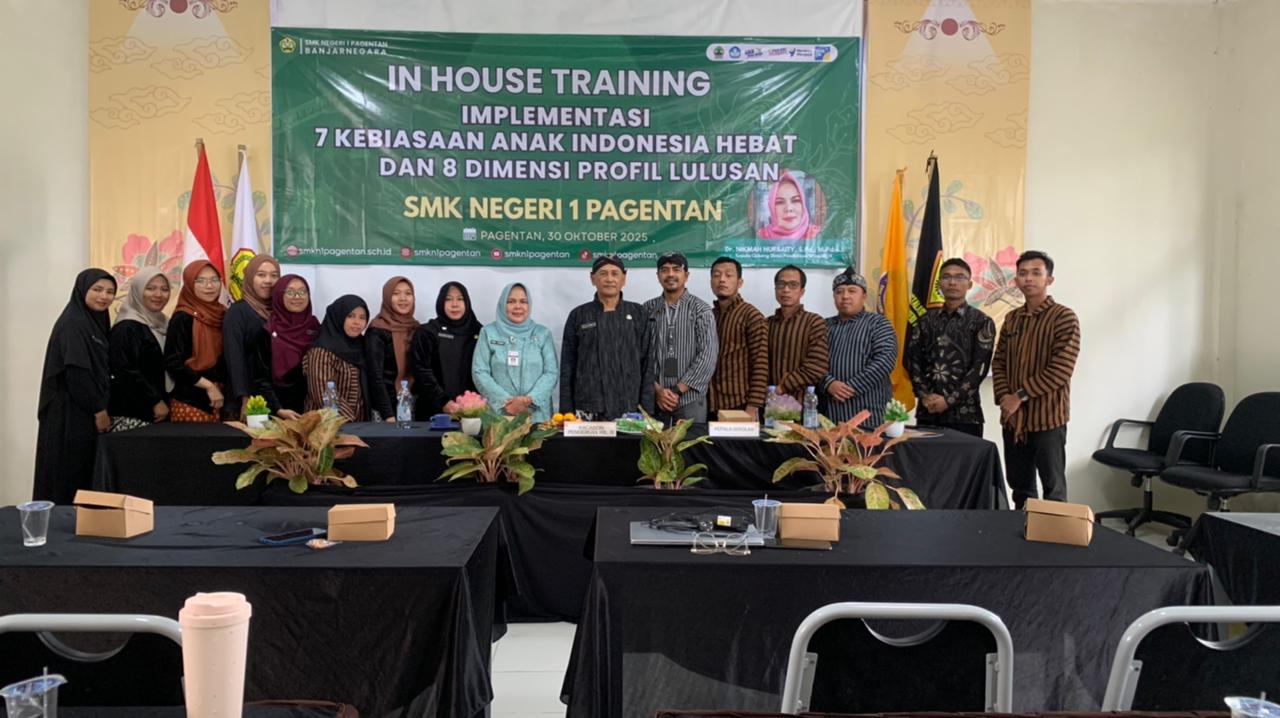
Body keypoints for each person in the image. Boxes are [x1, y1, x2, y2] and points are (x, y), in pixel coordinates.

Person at [992, 250, 1081, 508]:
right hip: (1013, 419)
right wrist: (1005, 399)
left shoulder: (1064, 317)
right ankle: (1022, 532)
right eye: (1023, 273)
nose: (1028, 278)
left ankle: (1053, 534)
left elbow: (1061, 368)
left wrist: (1019, 396)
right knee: (1020, 487)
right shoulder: (1012, 318)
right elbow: (999, 362)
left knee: (1053, 488)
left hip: (1048, 418)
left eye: (1036, 273)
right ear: (1016, 280)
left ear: (1049, 279)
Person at [33, 269, 116, 504]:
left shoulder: (93, 321)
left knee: (83, 471)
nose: (104, 296)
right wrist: (98, 410)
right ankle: (63, 522)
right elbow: (77, 374)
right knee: (68, 473)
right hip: (69, 413)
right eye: (97, 290)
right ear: (82, 290)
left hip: (81, 410)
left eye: (110, 291)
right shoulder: (73, 324)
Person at [904, 258, 997, 438]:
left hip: (965, 416)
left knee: (966, 458)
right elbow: (913, 361)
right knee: (925, 457)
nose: (952, 282)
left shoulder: (981, 321)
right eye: (946, 277)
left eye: (959, 277)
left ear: (969, 284)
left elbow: (979, 369)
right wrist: (925, 395)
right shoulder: (925, 321)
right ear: (939, 284)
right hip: (928, 411)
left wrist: (949, 400)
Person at [560, 256, 646, 420]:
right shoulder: (579, 315)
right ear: (593, 278)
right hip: (588, 406)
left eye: (615, 273)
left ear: (624, 279)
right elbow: (567, 367)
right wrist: (566, 412)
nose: (609, 279)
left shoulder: (638, 313)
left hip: (629, 407)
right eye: (603, 273)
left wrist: (647, 410)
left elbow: (647, 364)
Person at [641, 253, 718, 423]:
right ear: (658, 276)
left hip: (689, 399)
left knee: (692, 440)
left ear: (686, 275)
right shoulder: (647, 309)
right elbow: (640, 355)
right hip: (655, 398)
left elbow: (708, 356)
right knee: (653, 440)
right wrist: (658, 391)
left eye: (676, 269)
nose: (670, 274)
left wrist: (677, 390)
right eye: (664, 270)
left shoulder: (701, 310)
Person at [472, 283, 559, 422]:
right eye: (511, 301)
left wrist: (530, 400)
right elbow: (480, 372)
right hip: (500, 415)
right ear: (502, 304)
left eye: (523, 301)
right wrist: (506, 402)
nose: (518, 306)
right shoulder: (488, 333)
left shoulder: (542, 333)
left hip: (537, 415)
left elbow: (551, 373)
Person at [822, 268, 898, 426]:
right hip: (829, 413)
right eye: (839, 292)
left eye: (852, 291)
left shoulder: (878, 323)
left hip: (870, 412)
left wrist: (851, 387)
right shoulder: (823, 326)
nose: (845, 296)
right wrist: (828, 383)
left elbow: (885, 361)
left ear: (864, 296)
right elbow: (811, 361)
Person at [303, 295, 392, 422]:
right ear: (338, 317)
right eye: (350, 316)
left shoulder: (362, 346)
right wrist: (352, 422)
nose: (357, 322)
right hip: (326, 426)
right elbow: (324, 396)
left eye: (362, 317)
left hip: (360, 426)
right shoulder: (321, 351)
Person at [164, 260, 228, 422]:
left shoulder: (223, 314)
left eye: (214, 280)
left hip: (221, 399)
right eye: (201, 281)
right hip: (191, 401)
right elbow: (173, 363)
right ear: (189, 284)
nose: (209, 286)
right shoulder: (182, 317)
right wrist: (209, 386)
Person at [109, 266, 171, 431]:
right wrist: (154, 401)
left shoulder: (164, 323)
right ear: (137, 290)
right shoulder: (126, 327)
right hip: (134, 413)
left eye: (164, 289)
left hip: (159, 411)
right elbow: (124, 371)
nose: (158, 294)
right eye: (150, 288)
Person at [708, 256, 768, 420]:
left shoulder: (752, 316)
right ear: (711, 282)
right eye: (716, 275)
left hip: (739, 404)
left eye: (729, 275)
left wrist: (753, 406)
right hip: (709, 403)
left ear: (740, 282)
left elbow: (760, 364)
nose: (722, 279)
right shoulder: (709, 316)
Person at [411, 282, 482, 417]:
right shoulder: (427, 332)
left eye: (460, 299)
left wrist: (473, 405)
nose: (454, 304)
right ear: (440, 302)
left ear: (467, 302)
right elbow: (421, 370)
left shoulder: (479, 332)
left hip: (471, 412)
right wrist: (443, 401)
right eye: (448, 299)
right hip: (433, 411)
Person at [223, 254, 280, 418]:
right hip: (246, 400)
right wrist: (244, 397)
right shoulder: (237, 312)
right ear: (249, 278)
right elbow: (234, 358)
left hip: (274, 398)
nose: (268, 281)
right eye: (261, 275)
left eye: (274, 275)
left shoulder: (279, 311)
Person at [256, 274, 319, 417]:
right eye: (290, 292)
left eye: (302, 292)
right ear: (279, 295)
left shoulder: (316, 328)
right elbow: (260, 378)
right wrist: (278, 409)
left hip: (313, 411)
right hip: (278, 412)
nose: (297, 297)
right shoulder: (266, 332)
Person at [767, 265, 830, 402]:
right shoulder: (767, 323)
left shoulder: (814, 322)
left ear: (802, 291)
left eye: (793, 285)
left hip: (803, 403)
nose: (786, 290)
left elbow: (817, 366)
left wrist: (783, 387)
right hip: (769, 403)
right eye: (781, 284)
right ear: (775, 289)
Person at [368, 276, 420, 416]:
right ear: (387, 298)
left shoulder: (417, 328)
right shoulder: (377, 330)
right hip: (386, 408)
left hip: (413, 405)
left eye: (408, 293)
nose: (403, 298)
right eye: (396, 293)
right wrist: (388, 414)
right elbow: (375, 375)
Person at [757, 171, 820, 240]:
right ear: (771, 208)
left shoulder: (815, 235)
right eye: (780, 202)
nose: (789, 208)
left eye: (795, 200)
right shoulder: (761, 236)